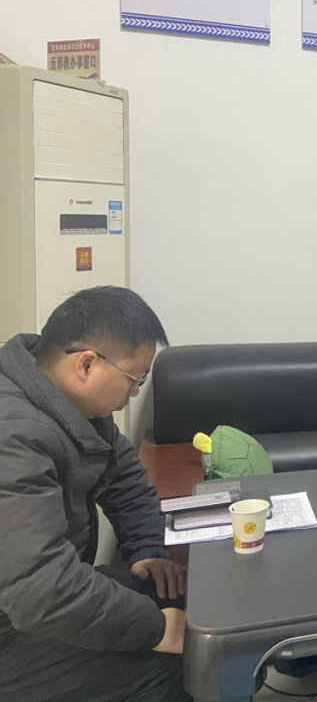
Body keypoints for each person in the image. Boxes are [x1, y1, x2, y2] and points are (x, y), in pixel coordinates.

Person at [0, 286, 189, 702]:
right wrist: (157, 629)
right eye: (134, 379)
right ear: (86, 364)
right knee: (178, 664)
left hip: (36, 599)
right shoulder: (13, 437)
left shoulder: (64, 400)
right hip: (14, 624)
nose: (134, 394)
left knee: (174, 597)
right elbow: (41, 590)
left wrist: (147, 549)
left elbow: (124, 478)